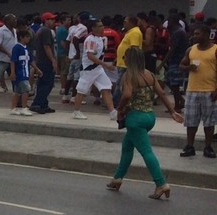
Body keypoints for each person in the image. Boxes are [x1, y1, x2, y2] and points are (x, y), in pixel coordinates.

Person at [108, 48, 184, 199]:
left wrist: (120, 108)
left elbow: (127, 94)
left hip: (135, 118)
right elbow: (161, 93)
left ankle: (161, 184)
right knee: (127, 147)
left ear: (129, 59)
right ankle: (117, 178)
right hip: (149, 116)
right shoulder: (149, 74)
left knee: (146, 152)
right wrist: (172, 111)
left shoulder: (129, 76)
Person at [179, 23, 217, 158]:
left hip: (209, 91)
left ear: (207, 35)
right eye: (194, 33)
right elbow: (181, 65)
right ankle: (190, 146)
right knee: (191, 121)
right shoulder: (191, 49)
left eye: (198, 33)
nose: (195, 36)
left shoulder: (215, 50)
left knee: (209, 122)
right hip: (192, 90)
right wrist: (188, 67)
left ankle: (208, 147)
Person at [70, 19, 118, 120]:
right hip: (89, 69)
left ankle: (113, 112)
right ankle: (76, 111)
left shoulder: (100, 39)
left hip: (98, 69)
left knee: (106, 87)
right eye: (100, 26)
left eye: (102, 26)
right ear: (93, 28)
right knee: (81, 90)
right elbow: (90, 56)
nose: (102, 28)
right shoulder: (90, 39)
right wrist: (105, 65)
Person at [30, 13, 60, 113]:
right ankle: (37, 103)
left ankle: (43, 104)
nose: (53, 21)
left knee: (42, 83)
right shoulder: (46, 31)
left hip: (40, 60)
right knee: (48, 83)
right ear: (46, 20)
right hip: (45, 61)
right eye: (51, 19)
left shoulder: (40, 30)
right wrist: (53, 60)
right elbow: (47, 46)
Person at [9, 29, 36, 115]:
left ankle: (13, 108)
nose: (28, 39)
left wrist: (37, 69)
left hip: (26, 72)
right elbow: (13, 61)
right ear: (21, 37)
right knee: (26, 90)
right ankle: (24, 107)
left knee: (17, 91)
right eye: (27, 37)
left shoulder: (27, 49)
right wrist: (13, 72)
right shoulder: (17, 48)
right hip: (20, 73)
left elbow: (31, 61)